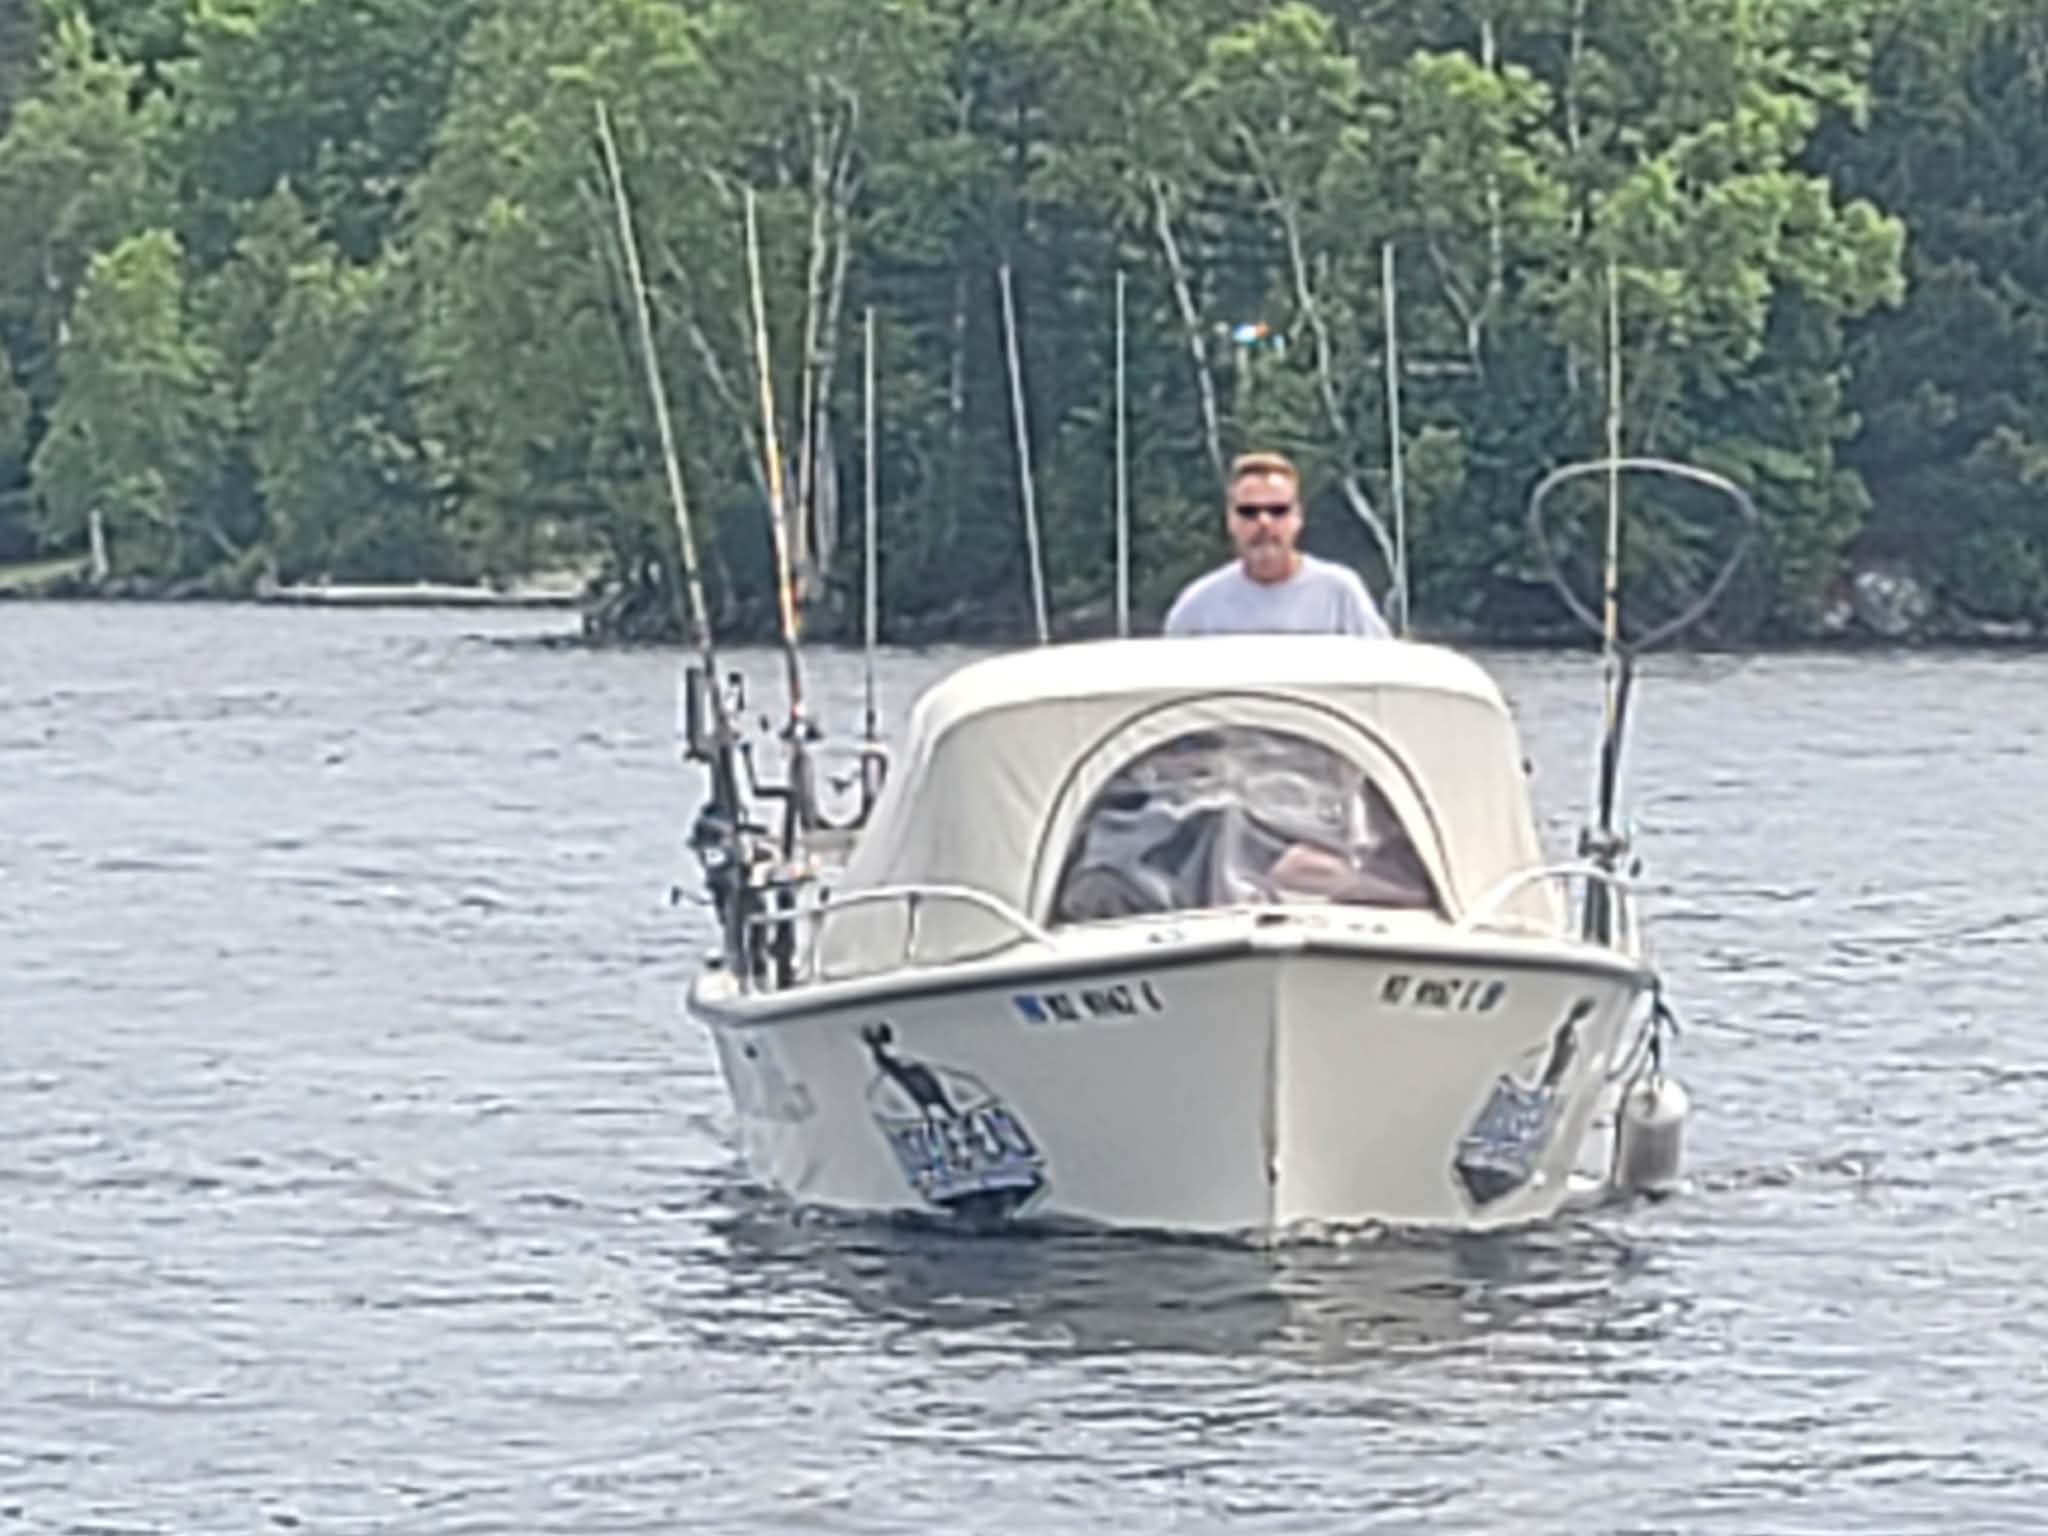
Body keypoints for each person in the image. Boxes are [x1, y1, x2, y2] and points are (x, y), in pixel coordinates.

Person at [1163, 451, 1392, 638]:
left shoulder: (1341, 595)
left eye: (1278, 510)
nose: (1264, 522)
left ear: (1298, 517)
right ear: (1230, 520)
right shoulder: (1197, 608)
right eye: (1248, 512)